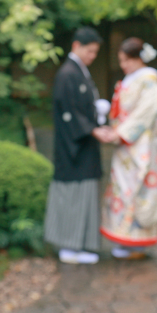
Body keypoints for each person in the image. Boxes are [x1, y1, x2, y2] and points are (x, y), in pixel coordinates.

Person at [99, 37, 157, 259]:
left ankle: (138, 243)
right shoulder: (132, 79)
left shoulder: (149, 81)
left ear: (138, 59)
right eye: (121, 60)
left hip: (140, 144)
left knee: (138, 190)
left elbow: (145, 113)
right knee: (123, 189)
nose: (123, 65)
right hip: (127, 145)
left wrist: (120, 132)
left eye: (126, 60)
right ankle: (126, 239)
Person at [43, 27, 112, 265]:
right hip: (73, 148)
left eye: (95, 52)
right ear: (76, 46)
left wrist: (97, 117)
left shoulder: (78, 72)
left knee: (84, 194)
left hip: (83, 146)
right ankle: (69, 246)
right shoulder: (67, 74)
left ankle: (80, 244)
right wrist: (92, 129)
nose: (93, 56)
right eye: (90, 51)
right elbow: (69, 112)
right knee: (72, 194)